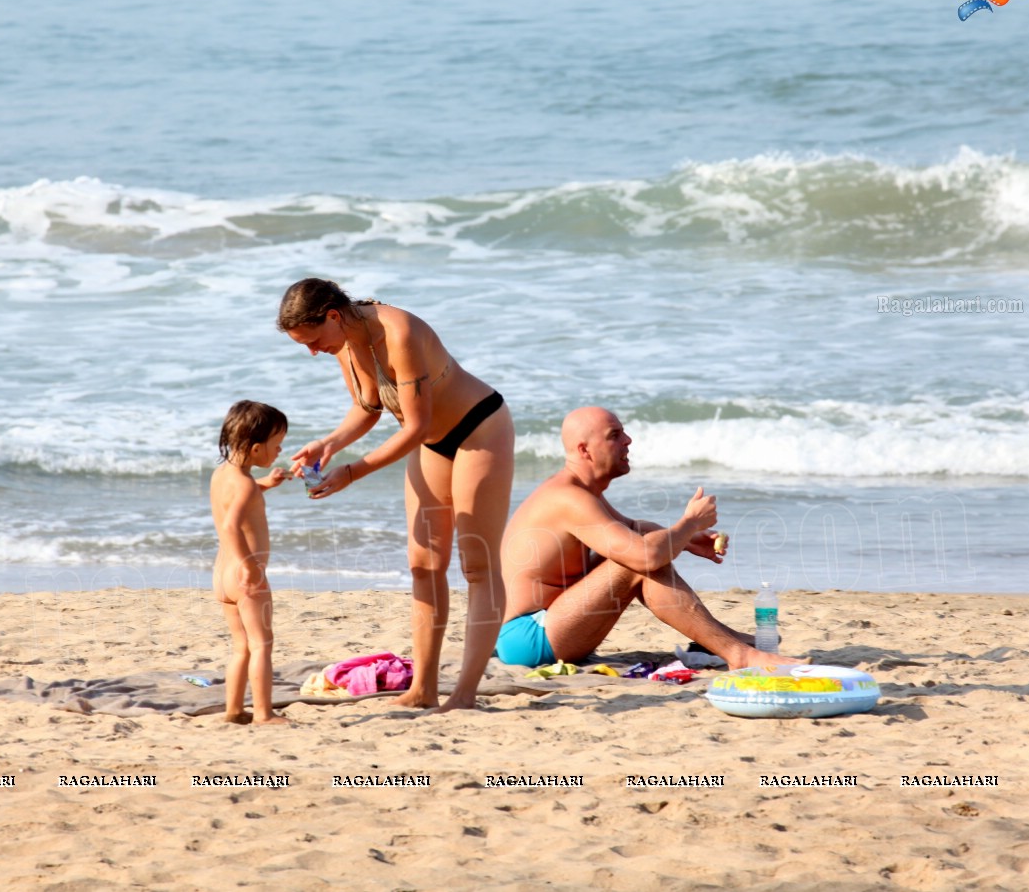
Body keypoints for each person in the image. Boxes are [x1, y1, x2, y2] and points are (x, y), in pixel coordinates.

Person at [277, 278, 513, 711]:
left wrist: (353, 471)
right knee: (423, 564)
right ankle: (422, 688)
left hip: (479, 429)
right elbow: (368, 406)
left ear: (332, 315)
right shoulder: (343, 341)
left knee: (477, 565)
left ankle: (464, 692)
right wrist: (330, 444)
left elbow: (415, 425)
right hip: (431, 444)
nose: (312, 352)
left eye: (312, 341)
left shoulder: (398, 333)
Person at [498, 406, 804, 670]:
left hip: (553, 623)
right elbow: (644, 557)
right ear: (584, 450)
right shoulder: (569, 498)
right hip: (530, 638)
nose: (628, 441)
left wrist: (687, 538)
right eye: (614, 435)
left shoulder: (581, 492)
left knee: (639, 542)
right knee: (633, 562)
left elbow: (636, 529)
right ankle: (738, 653)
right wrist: (688, 522)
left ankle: (720, 640)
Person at [210, 400, 293, 726]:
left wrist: (266, 484)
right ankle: (263, 713)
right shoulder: (245, 484)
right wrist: (250, 566)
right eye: (276, 445)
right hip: (245, 575)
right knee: (262, 646)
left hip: (221, 574)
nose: (280, 450)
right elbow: (231, 526)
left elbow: (238, 498)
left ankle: (233, 709)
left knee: (241, 647)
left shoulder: (225, 475)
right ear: (256, 449)